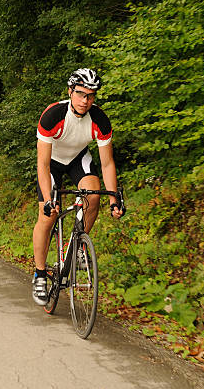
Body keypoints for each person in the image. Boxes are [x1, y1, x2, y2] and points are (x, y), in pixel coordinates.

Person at [32, 68, 125, 305]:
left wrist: (114, 197)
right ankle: (40, 274)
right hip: (51, 162)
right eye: (81, 94)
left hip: (76, 159)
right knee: (47, 216)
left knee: (93, 195)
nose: (85, 100)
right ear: (70, 92)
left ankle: (78, 245)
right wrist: (48, 198)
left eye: (91, 96)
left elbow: (107, 163)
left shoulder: (100, 120)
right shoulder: (53, 115)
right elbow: (42, 164)